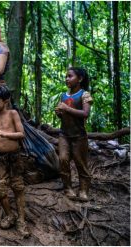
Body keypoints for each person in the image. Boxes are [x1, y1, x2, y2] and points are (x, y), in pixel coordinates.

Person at [0, 84, 30, 237]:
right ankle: (9, 214)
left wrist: (5, 134)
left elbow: (21, 134)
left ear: (5, 101)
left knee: (18, 187)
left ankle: (22, 220)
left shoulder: (13, 114)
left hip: (15, 156)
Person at [55, 67, 93, 202]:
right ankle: (68, 188)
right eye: (66, 76)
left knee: (80, 162)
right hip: (64, 134)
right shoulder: (63, 96)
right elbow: (64, 115)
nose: (67, 79)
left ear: (80, 79)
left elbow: (85, 114)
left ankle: (83, 190)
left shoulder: (85, 95)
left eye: (70, 76)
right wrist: (60, 113)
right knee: (63, 159)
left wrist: (66, 108)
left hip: (79, 136)